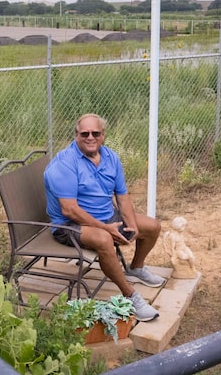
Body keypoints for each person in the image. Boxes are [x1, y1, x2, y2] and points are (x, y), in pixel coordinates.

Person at [43, 113, 164, 321]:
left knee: (152, 226)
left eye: (95, 133)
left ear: (103, 135)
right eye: (85, 133)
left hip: (107, 217)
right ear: (76, 135)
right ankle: (131, 295)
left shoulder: (111, 158)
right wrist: (106, 228)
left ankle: (135, 268)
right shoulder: (64, 164)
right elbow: (69, 210)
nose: (90, 137)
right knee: (104, 239)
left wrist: (132, 225)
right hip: (69, 225)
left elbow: (122, 197)